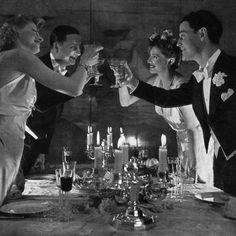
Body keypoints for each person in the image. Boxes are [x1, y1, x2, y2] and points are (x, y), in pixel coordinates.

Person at [117, 10, 236, 196]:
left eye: (182, 36)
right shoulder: (197, 79)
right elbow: (167, 98)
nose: (178, 43)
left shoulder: (233, 68)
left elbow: (198, 127)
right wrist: (130, 81)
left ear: (202, 34)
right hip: (220, 163)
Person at [0, 15, 102, 205]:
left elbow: (71, 86)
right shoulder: (18, 56)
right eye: (33, 32)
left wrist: (85, 72)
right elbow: (73, 88)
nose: (40, 38)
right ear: (14, 33)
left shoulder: (17, 60)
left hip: (13, 139)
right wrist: (85, 60)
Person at [118, 29, 212, 184]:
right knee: (183, 182)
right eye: (149, 56)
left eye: (155, 57)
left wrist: (191, 155)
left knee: (197, 181)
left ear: (170, 60)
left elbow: (191, 128)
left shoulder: (181, 86)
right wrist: (122, 80)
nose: (149, 61)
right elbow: (125, 101)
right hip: (182, 141)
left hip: (197, 143)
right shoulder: (154, 81)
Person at [21, 25, 83, 176]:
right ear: (56, 47)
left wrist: (42, 152)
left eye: (80, 47)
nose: (79, 52)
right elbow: (42, 103)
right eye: (73, 47)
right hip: (16, 144)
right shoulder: (37, 67)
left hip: (33, 149)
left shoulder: (65, 75)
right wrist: (85, 71)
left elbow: (52, 119)